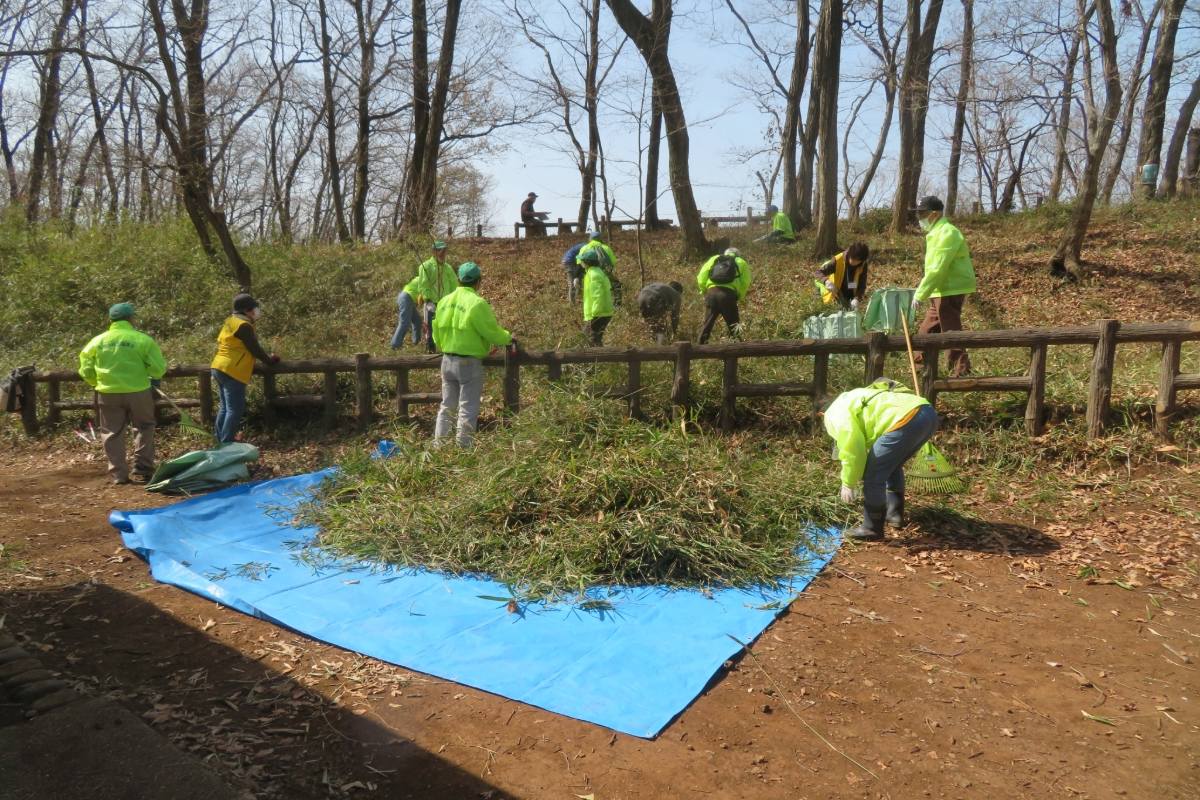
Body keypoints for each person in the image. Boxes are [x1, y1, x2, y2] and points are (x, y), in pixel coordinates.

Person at [823, 378, 939, 540]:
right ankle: (894, 515)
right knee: (892, 465)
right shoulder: (854, 396)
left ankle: (872, 528)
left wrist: (848, 483)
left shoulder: (834, 414)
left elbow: (852, 449)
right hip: (927, 413)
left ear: (822, 413)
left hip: (906, 419)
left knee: (873, 475)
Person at [78, 303, 167, 484]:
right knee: (144, 427)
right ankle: (143, 468)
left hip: (107, 392)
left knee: (111, 432)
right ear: (131, 319)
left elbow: (85, 370)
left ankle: (119, 475)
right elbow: (158, 370)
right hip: (139, 391)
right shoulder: (143, 340)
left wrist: (97, 382)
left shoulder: (97, 341)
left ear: (110, 320)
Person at [432, 262, 514, 448]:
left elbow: (436, 333)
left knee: (446, 407)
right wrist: (509, 338)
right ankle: (463, 449)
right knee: (467, 408)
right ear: (478, 282)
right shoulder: (477, 303)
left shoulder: (444, 301)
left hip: (447, 361)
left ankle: (439, 447)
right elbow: (491, 332)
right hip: (469, 363)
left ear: (458, 280)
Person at [910, 195, 976, 377]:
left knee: (951, 331)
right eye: (919, 214)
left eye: (923, 214)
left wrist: (920, 293)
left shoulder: (947, 232)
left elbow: (937, 268)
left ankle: (961, 371)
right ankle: (921, 368)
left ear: (935, 214)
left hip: (949, 288)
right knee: (927, 331)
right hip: (941, 288)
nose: (920, 218)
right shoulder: (937, 232)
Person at [210, 293, 280, 444]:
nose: (257, 311)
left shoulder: (231, 321)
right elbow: (254, 348)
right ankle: (226, 443)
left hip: (218, 366)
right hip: (232, 370)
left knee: (225, 407)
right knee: (235, 410)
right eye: (254, 309)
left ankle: (219, 441)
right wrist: (270, 361)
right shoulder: (243, 326)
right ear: (247, 310)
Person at [696, 247, 751, 344]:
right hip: (728, 295)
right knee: (734, 324)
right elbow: (745, 282)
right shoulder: (741, 262)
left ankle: (700, 349)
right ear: (738, 254)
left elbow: (701, 276)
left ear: (725, 253)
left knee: (707, 324)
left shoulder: (714, 259)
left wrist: (704, 291)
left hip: (711, 293)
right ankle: (736, 348)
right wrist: (739, 296)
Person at [414, 240, 458, 353]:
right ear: (433, 252)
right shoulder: (426, 266)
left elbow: (454, 284)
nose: (442, 253)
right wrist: (427, 299)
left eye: (444, 251)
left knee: (446, 325)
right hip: (431, 302)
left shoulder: (448, 268)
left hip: (446, 303)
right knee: (430, 327)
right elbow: (423, 284)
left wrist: (455, 299)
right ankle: (430, 348)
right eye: (439, 250)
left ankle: (446, 348)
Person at [814, 242, 871, 310]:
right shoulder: (838, 260)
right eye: (852, 258)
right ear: (849, 254)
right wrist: (826, 281)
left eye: (857, 261)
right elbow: (818, 272)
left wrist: (857, 299)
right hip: (834, 293)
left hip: (850, 295)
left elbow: (862, 285)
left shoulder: (863, 265)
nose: (853, 262)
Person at [577, 231, 621, 306]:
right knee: (616, 285)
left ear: (590, 239)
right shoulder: (606, 248)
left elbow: (579, 262)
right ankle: (617, 305)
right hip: (605, 273)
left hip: (590, 274)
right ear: (600, 239)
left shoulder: (584, 248)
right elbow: (613, 262)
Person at [580, 248, 614, 346]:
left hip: (598, 313)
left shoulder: (593, 275)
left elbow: (597, 295)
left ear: (587, 262)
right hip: (601, 312)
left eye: (582, 261)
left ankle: (598, 359)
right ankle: (599, 359)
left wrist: (595, 314)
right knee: (593, 338)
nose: (581, 263)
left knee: (590, 338)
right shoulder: (596, 272)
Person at [390, 262, 423, 349]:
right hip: (406, 297)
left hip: (408, 299)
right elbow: (421, 297)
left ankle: (417, 343)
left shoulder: (421, 278)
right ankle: (395, 345)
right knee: (405, 322)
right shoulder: (423, 280)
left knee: (417, 321)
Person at [561, 239, 587, 304]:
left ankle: (579, 298)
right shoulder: (586, 248)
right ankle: (572, 303)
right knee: (572, 283)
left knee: (578, 279)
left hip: (573, 261)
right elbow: (582, 260)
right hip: (569, 261)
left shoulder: (585, 246)